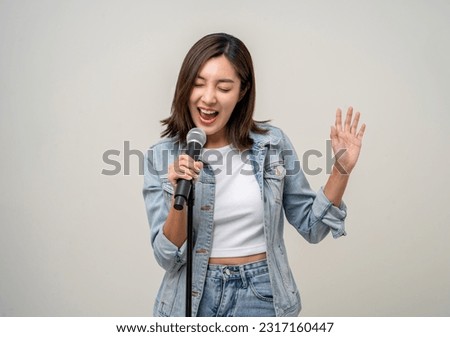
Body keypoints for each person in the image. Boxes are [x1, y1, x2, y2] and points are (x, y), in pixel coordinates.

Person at [143, 32, 366, 317]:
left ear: (242, 91)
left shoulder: (272, 144)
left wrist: (341, 169)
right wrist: (179, 194)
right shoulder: (161, 156)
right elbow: (167, 257)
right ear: (185, 87)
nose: (208, 98)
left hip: (263, 294)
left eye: (223, 87)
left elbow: (313, 227)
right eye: (198, 84)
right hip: (194, 297)